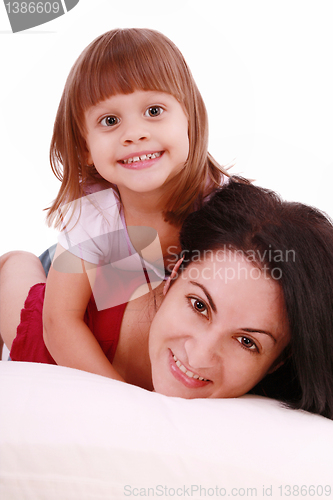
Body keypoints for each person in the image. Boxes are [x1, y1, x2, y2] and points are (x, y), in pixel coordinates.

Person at [1, 179, 333, 419]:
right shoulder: (58, 332)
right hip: (78, 272)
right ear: (172, 277)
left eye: (246, 341)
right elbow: (13, 263)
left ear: (278, 361)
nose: (199, 356)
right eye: (199, 306)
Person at [33, 28, 229, 380]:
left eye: (154, 110)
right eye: (110, 121)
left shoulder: (223, 204)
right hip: (73, 281)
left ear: (190, 119)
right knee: (17, 270)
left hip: (119, 289)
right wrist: (119, 397)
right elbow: (57, 321)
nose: (134, 133)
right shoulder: (94, 210)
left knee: (141, 284)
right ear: (84, 149)